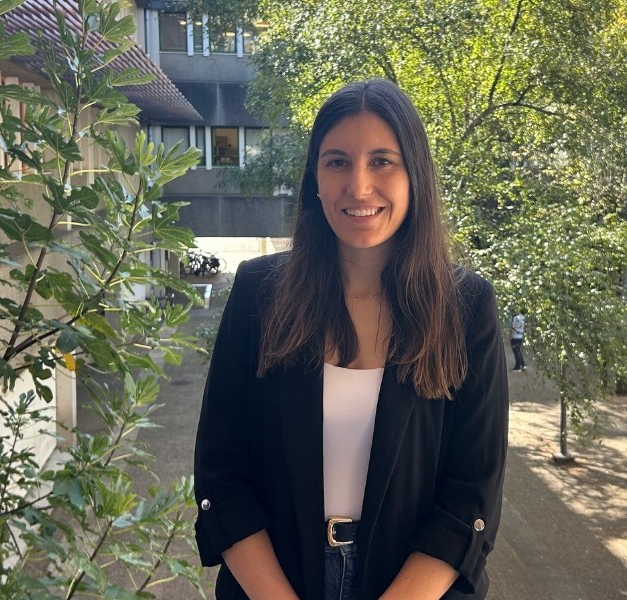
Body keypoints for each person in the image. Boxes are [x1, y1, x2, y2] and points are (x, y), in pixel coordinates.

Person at [193, 79, 509, 600]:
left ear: (415, 175)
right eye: (337, 162)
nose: (359, 187)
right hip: (274, 584)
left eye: (382, 161)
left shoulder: (466, 307)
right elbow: (222, 474)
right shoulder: (259, 294)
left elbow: (471, 494)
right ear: (314, 177)